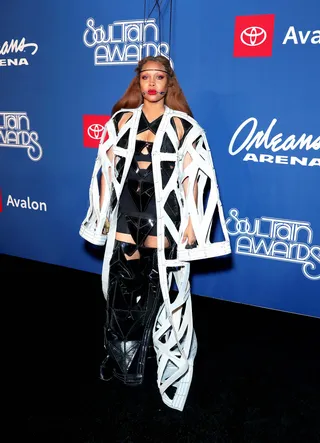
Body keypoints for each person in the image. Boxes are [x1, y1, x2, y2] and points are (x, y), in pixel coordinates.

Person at [79, 55, 231, 411]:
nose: (152, 83)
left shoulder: (184, 127)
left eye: (158, 77)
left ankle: (159, 358)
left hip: (164, 219)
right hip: (127, 215)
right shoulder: (120, 121)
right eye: (145, 76)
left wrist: (193, 222)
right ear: (138, 81)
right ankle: (121, 362)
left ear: (168, 83)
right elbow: (107, 172)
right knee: (120, 290)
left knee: (161, 292)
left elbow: (193, 180)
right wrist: (102, 214)